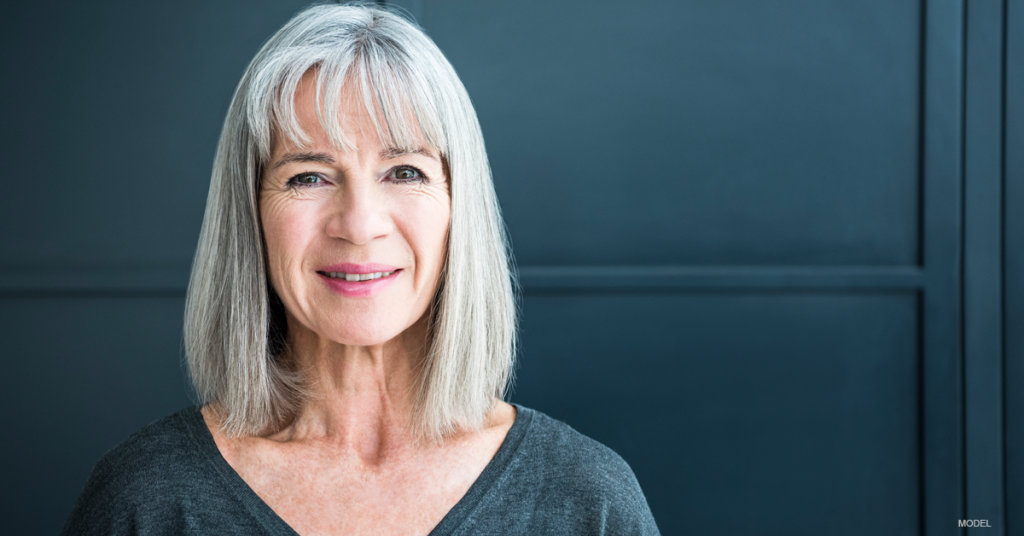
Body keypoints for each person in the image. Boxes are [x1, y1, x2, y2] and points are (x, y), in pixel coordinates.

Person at [61, 4, 659, 535]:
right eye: (308, 176)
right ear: (251, 213)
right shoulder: (144, 499)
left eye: (405, 172)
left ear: (459, 207)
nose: (359, 223)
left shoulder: (588, 501)